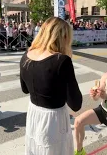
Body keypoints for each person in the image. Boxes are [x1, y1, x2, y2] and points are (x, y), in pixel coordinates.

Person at [20, 17, 83, 155]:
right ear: (64, 37)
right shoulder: (61, 60)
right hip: (54, 118)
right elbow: (76, 104)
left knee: (35, 147)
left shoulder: (27, 54)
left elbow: (25, 89)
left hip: (34, 113)